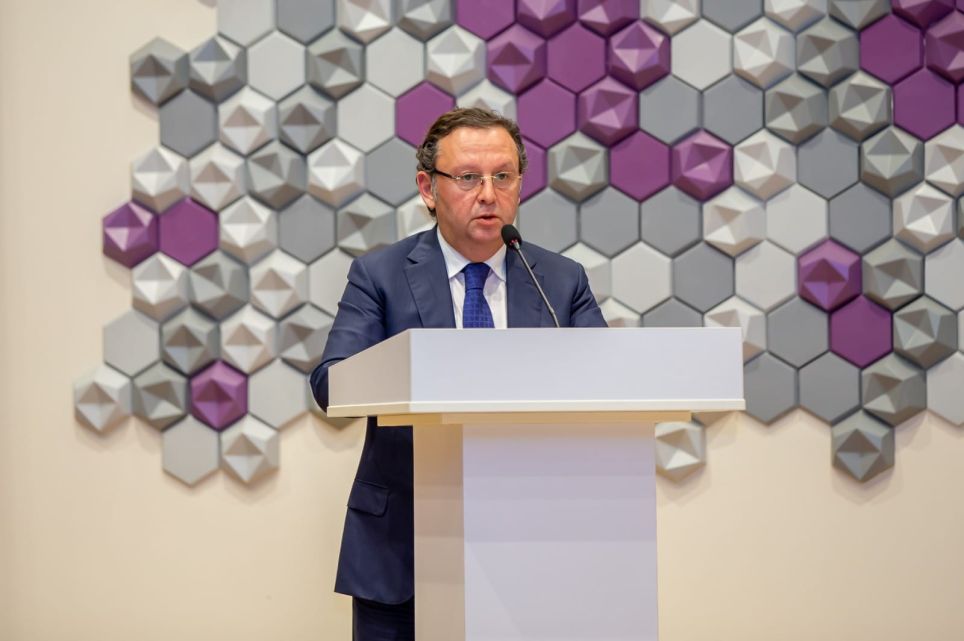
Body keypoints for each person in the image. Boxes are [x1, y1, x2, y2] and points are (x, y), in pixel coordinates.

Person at [309, 107, 606, 640]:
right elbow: (331, 384)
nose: (489, 194)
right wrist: (422, 368)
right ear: (428, 188)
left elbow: (611, 386)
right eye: (468, 177)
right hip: (402, 548)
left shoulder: (561, 281)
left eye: (503, 176)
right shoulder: (380, 276)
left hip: (535, 543)